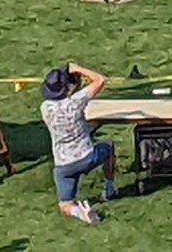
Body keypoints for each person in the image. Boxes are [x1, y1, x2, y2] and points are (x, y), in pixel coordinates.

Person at [39, 63, 116, 225]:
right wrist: (78, 69)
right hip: (87, 156)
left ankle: (80, 213)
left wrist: (75, 87)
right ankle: (109, 188)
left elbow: (65, 103)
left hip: (64, 166)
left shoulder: (45, 108)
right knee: (108, 147)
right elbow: (100, 80)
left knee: (65, 204)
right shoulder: (76, 102)